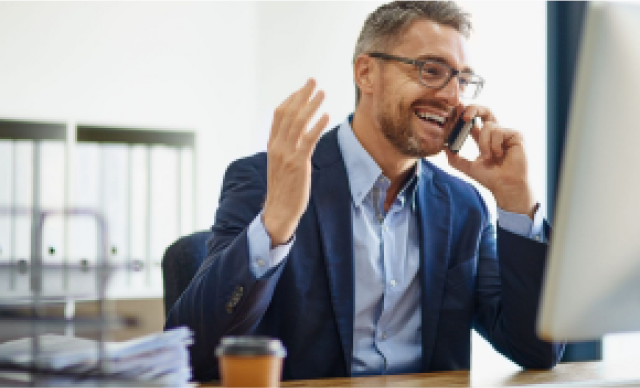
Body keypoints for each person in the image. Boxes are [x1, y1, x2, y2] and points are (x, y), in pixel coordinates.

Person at [165, 0, 565, 382]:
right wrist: (275, 225)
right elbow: (191, 353)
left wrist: (516, 199)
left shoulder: (464, 207)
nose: (451, 96)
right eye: (430, 70)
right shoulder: (268, 179)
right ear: (365, 73)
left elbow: (538, 350)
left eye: (461, 79)